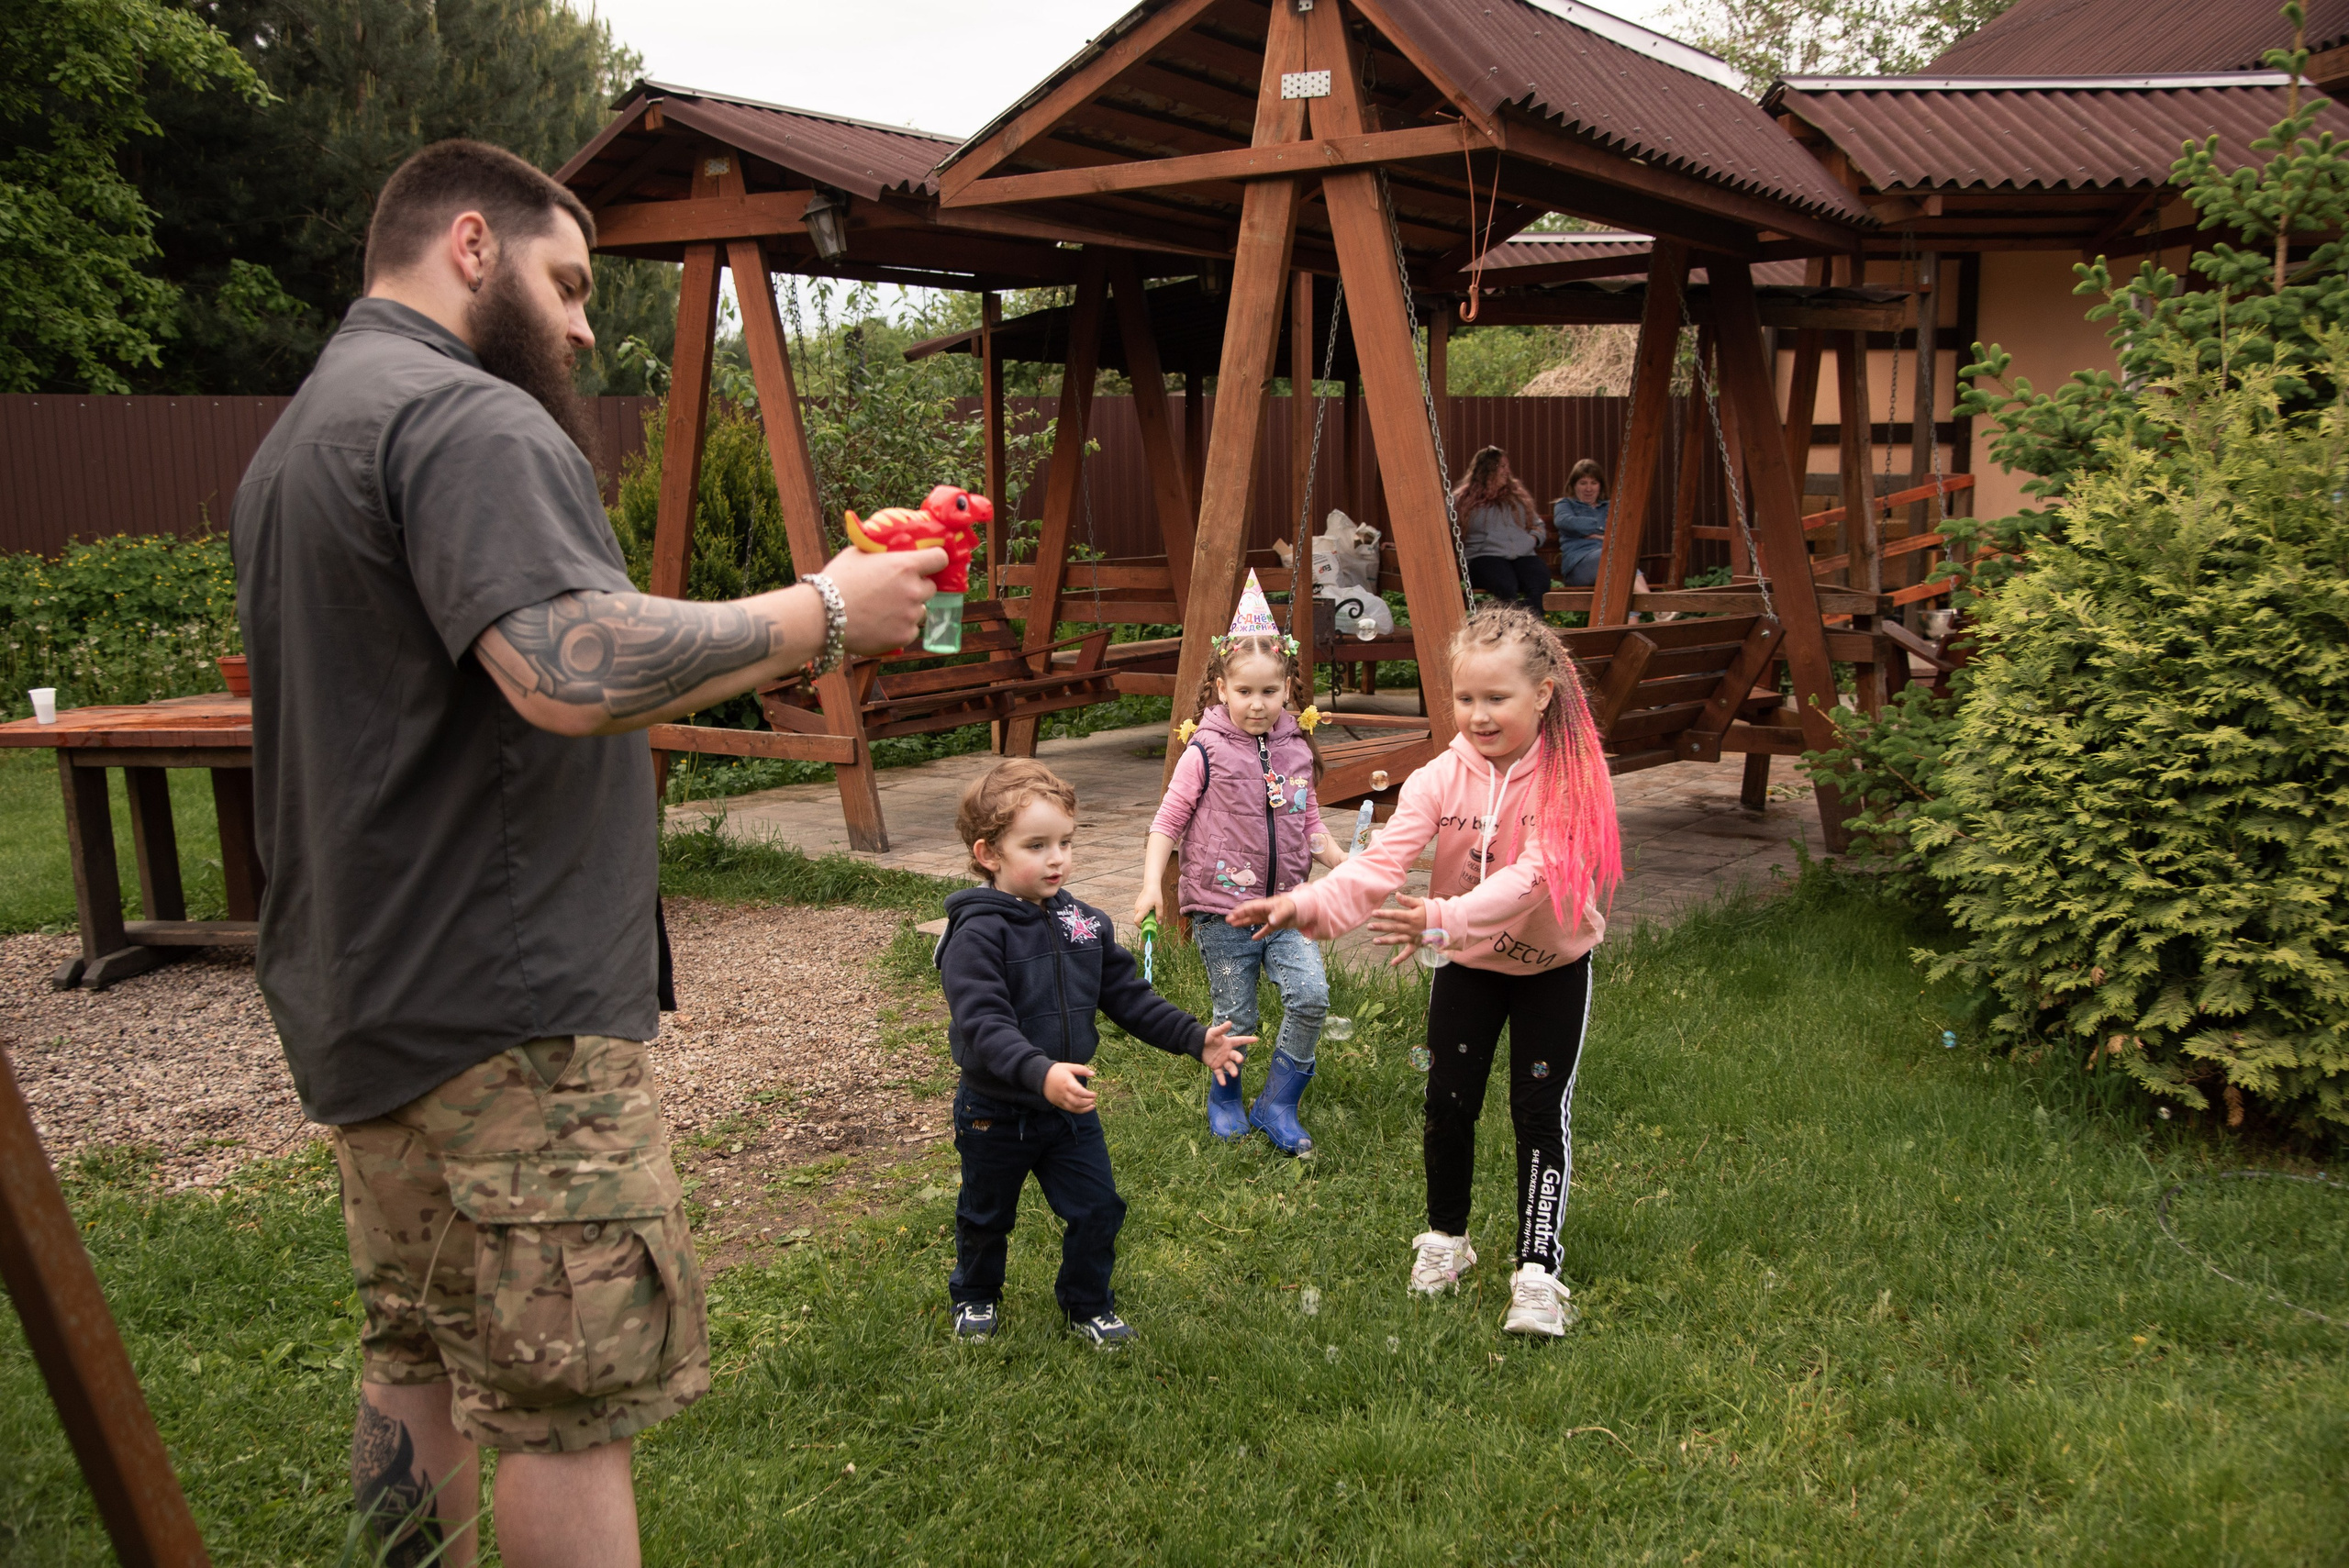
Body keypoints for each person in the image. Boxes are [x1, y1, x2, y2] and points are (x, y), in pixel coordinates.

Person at [230, 139, 945, 1568]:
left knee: (416, 1349)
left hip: (368, 995)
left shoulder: (305, 434)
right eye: (566, 285)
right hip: (512, 1019)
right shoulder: (466, 421)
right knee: (562, 1403)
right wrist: (820, 611)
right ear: (473, 247)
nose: (578, 327)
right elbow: (563, 661)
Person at [1225, 605, 1622, 1339]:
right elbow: (1379, 866)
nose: (1477, 714)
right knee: (1448, 1101)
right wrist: (1303, 905)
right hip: (1466, 967)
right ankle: (1447, 1239)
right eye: (1465, 698)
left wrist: (1441, 917)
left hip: (1551, 969)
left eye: (1496, 698)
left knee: (1538, 1111)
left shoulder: (1568, 779)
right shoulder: (1441, 776)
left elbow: (1536, 877)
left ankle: (1538, 1270)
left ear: (1542, 694)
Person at [936, 760, 1251, 1347]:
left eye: (1065, 842)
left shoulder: (1083, 924)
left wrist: (1193, 1037)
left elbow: (1127, 997)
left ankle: (1088, 1305)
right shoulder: (976, 936)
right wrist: (1041, 1071)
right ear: (988, 853)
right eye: (1036, 845)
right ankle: (976, 1296)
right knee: (986, 1214)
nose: (1057, 858)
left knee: (1097, 1208)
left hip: (1069, 1109)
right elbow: (984, 1023)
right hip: (995, 1110)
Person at [1133, 573, 1344, 1155]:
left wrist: (1339, 858)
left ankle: (1279, 1101)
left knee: (1311, 997)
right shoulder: (1204, 749)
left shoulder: (1296, 747)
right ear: (1221, 688)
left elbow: (1308, 820)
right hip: (1222, 914)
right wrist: (1154, 884)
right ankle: (1226, 1096)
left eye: (1270, 692)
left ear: (1287, 690)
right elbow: (1167, 821)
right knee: (1237, 1014)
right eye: (1245, 691)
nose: (1258, 704)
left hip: (1286, 908)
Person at [1454, 445, 1551, 606]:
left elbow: (1537, 525)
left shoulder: (1516, 497)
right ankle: (1512, 627)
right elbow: (1448, 528)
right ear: (1487, 469)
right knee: (1506, 586)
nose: (1507, 471)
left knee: (1539, 582)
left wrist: (1533, 540)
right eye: (1502, 466)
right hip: (1484, 556)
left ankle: (1531, 627)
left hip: (1523, 555)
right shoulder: (1463, 501)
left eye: (1507, 466)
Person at [1553, 458, 1655, 600]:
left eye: (1593, 483)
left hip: (1612, 563)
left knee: (1621, 581)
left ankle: (1644, 613)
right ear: (1574, 485)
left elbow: (1622, 530)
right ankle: (1652, 604)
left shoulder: (1609, 507)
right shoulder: (1565, 505)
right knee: (1613, 556)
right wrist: (1604, 530)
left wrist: (1593, 533)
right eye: (1583, 483)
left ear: (1600, 486)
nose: (1588, 488)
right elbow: (1566, 522)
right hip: (1579, 566)